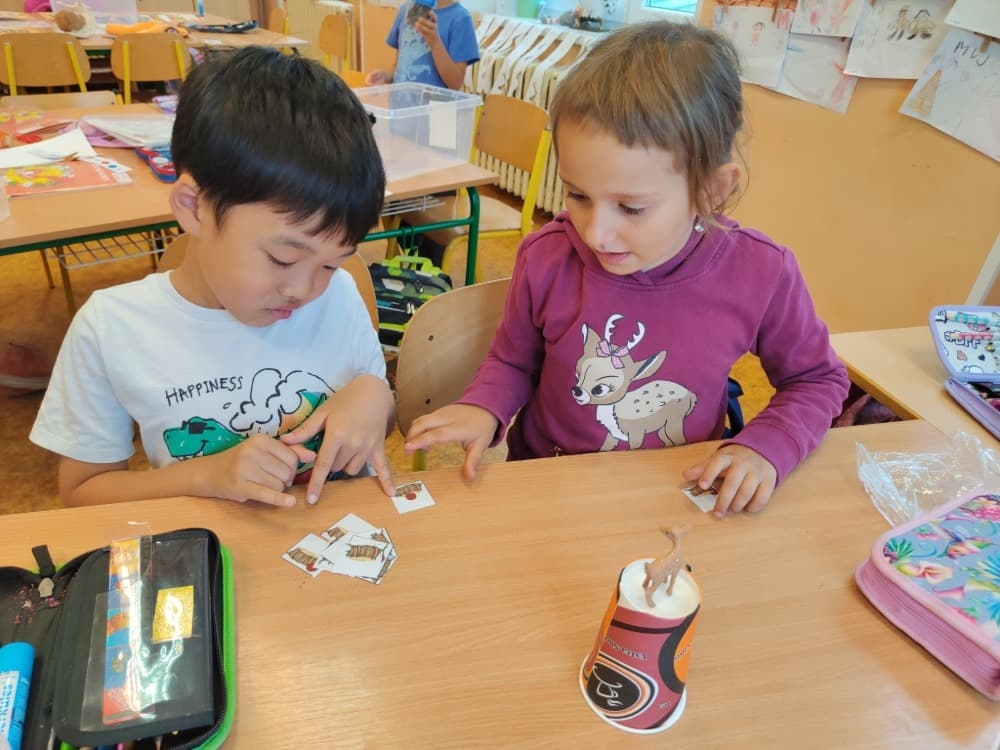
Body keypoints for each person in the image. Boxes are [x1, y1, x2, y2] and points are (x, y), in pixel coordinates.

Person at [404, 21, 850, 518]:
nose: (596, 234)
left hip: (673, 496)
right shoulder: (547, 255)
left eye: (632, 208)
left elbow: (816, 380)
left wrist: (767, 445)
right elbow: (513, 362)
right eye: (577, 195)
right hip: (547, 488)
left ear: (712, 191)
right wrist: (484, 405)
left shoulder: (761, 272)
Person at [30, 47, 396, 508]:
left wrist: (375, 396)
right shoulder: (110, 328)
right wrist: (203, 476)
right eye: (282, 259)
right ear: (194, 208)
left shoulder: (338, 296)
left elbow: (375, 418)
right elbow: (83, 492)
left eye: (331, 263)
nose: (305, 289)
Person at [364, 0, 479, 91]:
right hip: (400, 108)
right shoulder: (406, 10)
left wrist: (434, 41)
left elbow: (455, 83)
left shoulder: (460, 19)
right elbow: (400, 66)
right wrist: (386, 76)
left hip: (434, 110)